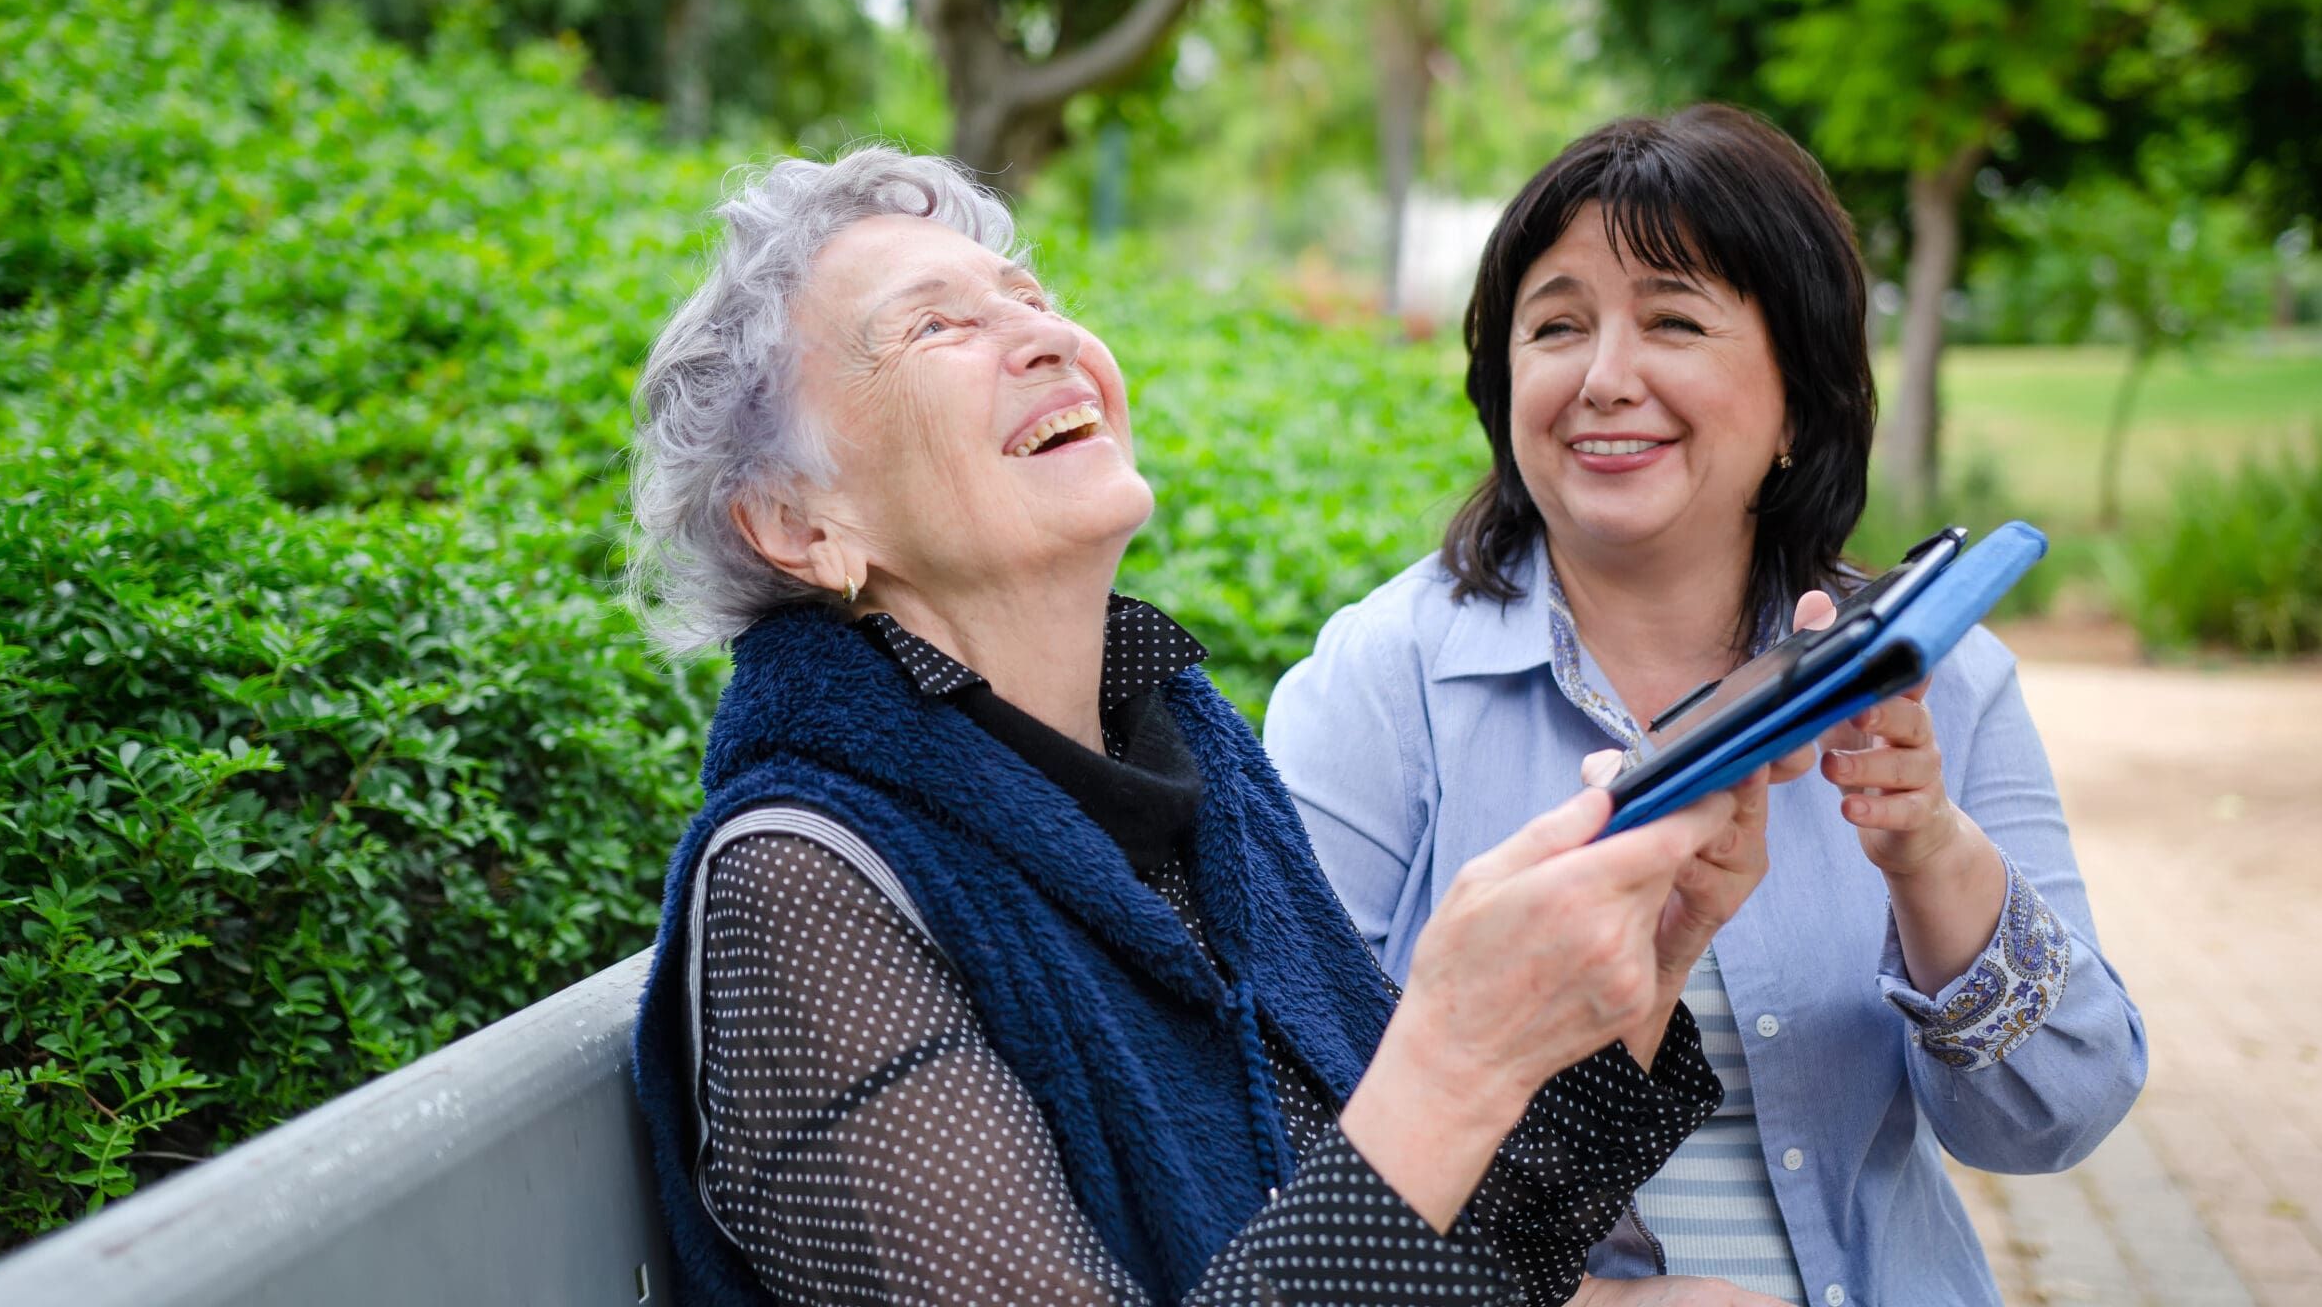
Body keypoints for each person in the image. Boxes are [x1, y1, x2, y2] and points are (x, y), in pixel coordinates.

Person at [625, 145, 1809, 1307]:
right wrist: (1453, 1059)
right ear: (796, 524)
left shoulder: (1188, 761)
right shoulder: (800, 888)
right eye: (935, 326)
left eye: (1030, 298)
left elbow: (1467, 1255)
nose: (1048, 335)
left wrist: (1649, 951)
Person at [1265, 107, 2148, 1307]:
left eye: (1674, 320)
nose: (1602, 378)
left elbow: (2055, 1118)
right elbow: (1278, 1122)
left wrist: (1926, 848)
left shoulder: (1942, 673)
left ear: (1797, 396)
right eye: (1556, 326)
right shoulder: (1384, 677)